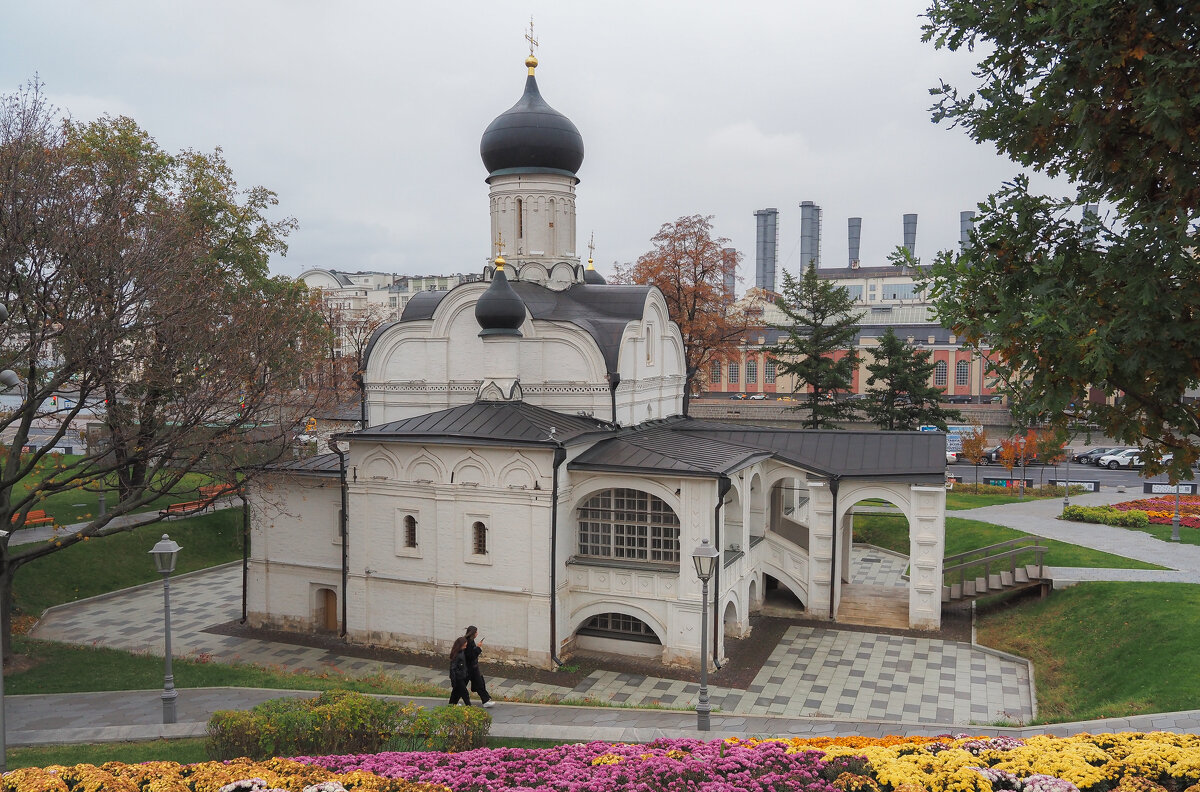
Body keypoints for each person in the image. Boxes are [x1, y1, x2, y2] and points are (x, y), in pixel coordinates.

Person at [463, 625, 494, 707]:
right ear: (473, 633)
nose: (477, 633)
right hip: (469, 668)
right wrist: (478, 648)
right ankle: (453, 702)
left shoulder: (471, 641)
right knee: (463, 685)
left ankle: (486, 700)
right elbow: (470, 656)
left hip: (473, 667)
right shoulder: (468, 642)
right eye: (476, 632)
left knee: (480, 683)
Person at [448, 636, 471, 706]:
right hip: (458, 677)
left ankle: (451, 704)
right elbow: (452, 668)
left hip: (461, 676)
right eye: (464, 645)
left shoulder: (461, 652)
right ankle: (469, 706)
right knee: (465, 693)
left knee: (456, 692)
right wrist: (453, 680)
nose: (465, 647)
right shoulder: (457, 655)